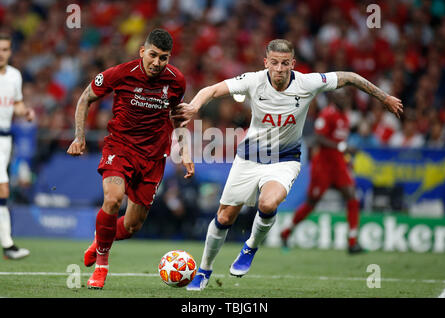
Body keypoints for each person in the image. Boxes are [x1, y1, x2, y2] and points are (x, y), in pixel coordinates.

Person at [172, 39, 403, 291]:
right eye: (274, 63)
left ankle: (250, 247)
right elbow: (212, 90)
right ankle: (204, 270)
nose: (279, 69)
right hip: (248, 158)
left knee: (268, 203)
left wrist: (384, 97)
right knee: (225, 216)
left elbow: (348, 76)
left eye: (285, 63)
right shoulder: (253, 80)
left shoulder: (307, 83)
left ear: (293, 63)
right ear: (266, 63)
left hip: (285, 160)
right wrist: (194, 106)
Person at [67, 29, 194, 289]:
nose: (157, 63)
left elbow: (176, 117)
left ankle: (99, 240)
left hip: (153, 157)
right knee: (112, 199)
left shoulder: (177, 81)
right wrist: (79, 137)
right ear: (142, 52)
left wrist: (185, 151)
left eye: (164, 58)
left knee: (133, 225)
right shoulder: (121, 73)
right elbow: (85, 98)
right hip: (120, 148)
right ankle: (102, 266)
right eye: (153, 55)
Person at [280, 88, 364, 254]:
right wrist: (342, 147)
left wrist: (346, 158)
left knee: (352, 195)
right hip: (323, 165)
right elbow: (318, 138)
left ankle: (353, 242)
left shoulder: (345, 116)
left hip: (338, 164)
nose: (345, 99)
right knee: (312, 202)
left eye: (347, 95)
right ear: (334, 97)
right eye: (341, 95)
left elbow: (340, 141)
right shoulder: (327, 114)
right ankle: (286, 232)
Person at [0, 33, 34, 260]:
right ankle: (8, 245)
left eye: (5, 49)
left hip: (5, 140)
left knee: (2, 191)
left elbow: (17, 104)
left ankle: (8, 245)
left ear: (10, 52)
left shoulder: (14, 76)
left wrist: (26, 112)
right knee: (3, 190)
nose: (1, 54)